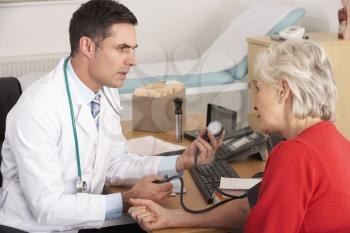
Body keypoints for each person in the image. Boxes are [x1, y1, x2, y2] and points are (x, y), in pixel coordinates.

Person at [0, 0, 224, 232]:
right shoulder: (37, 109)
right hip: (32, 227)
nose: (132, 60)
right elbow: (46, 207)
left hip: (81, 219)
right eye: (122, 48)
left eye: (133, 49)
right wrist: (125, 200)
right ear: (87, 46)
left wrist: (180, 162)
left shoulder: (106, 92)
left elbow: (115, 162)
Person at [129, 40, 350, 233]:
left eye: (259, 88)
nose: (254, 102)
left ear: (283, 90)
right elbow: (251, 208)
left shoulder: (296, 155)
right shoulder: (340, 144)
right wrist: (174, 217)